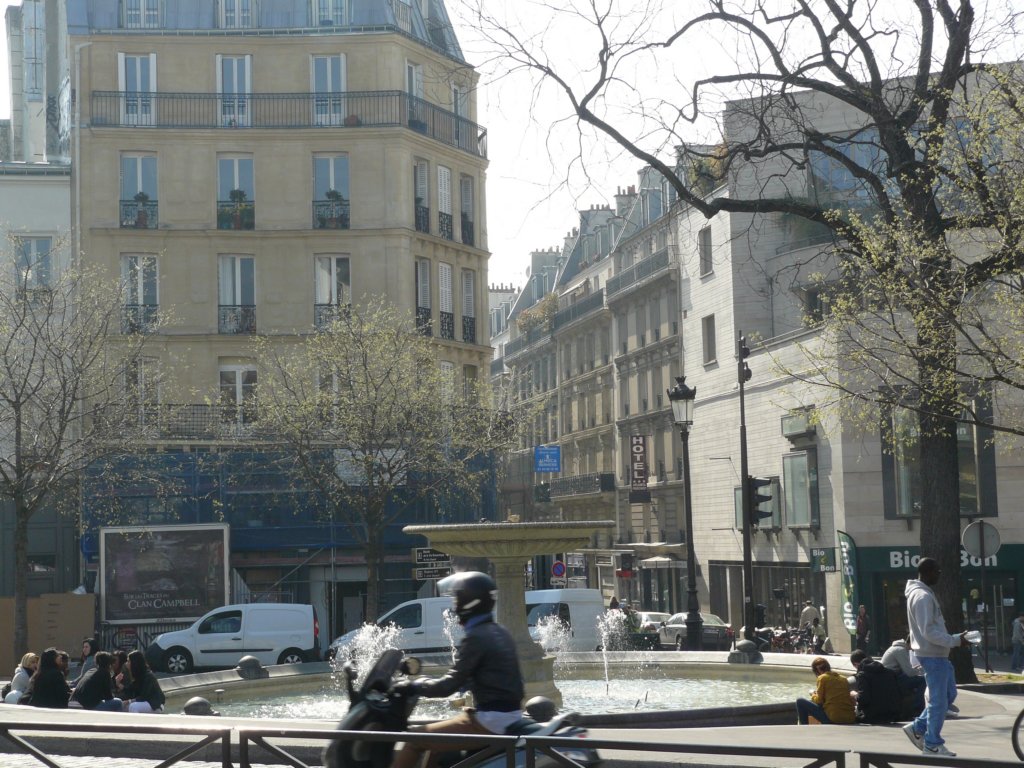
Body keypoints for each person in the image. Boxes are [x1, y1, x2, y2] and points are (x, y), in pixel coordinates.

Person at [392, 571, 524, 768]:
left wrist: (414, 686)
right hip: (507, 716)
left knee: (414, 739)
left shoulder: (476, 637)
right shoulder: (500, 632)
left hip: (490, 722)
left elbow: (447, 686)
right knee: (436, 744)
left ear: (468, 603)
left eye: (457, 599)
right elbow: (490, 675)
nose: (454, 605)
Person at [902, 557, 969, 757]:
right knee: (938, 701)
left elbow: (928, 629)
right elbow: (928, 631)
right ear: (928, 571)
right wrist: (955, 640)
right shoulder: (922, 596)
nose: (940, 574)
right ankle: (932, 744)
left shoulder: (923, 593)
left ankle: (918, 728)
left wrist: (954, 640)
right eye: (937, 571)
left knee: (947, 695)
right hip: (932, 655)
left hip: (936, 654)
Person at [795, 657, 856, 725]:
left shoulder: (822, 678)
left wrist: (812, 694)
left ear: (817, 670)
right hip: (850, 718)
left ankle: (804, 727)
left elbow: (819, 701)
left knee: (800, 701)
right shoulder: (843, 679)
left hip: (834, 718)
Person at [848, 649, 901, 723]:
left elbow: (864, 699)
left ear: (855, 664)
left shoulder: (862, 675)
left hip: (872, 716)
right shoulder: (889, 672)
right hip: (891, 715)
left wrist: (854, 694)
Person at [881, 636, 926, 718]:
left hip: (893, 676)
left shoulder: (898, 648)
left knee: (918, 679)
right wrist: (921, 670)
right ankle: (917, 709)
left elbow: (907, 669)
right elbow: (909, 673)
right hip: (892, 679)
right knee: (923, 681)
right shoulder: (900, 650)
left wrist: (915, 669)